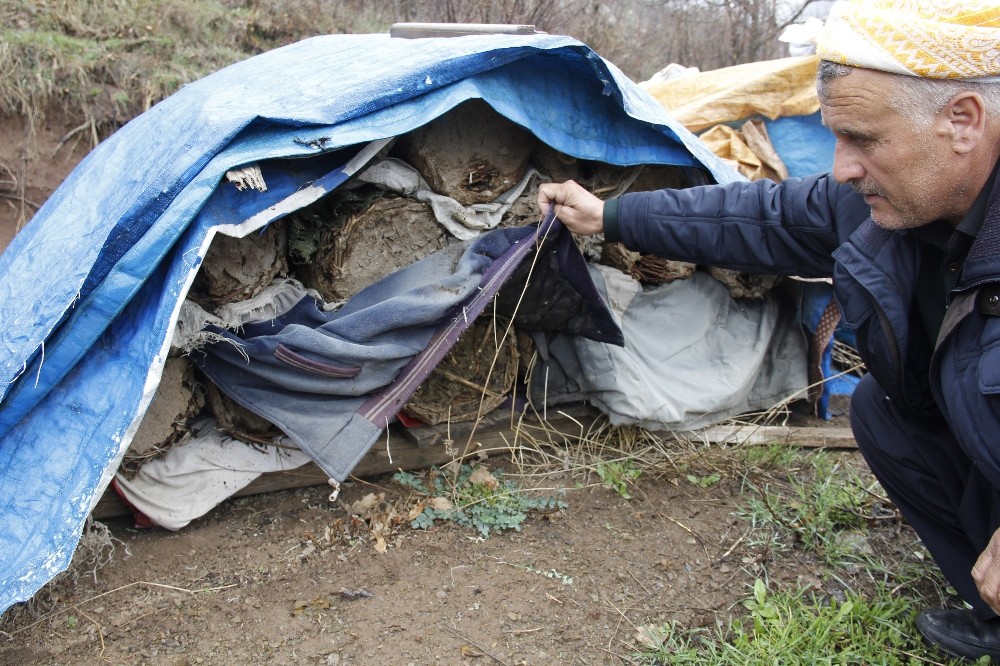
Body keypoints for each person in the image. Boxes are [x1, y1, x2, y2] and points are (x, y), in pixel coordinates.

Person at [538, 1, 1000, 661]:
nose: (842, 166)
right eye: (835, 137)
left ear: (963, 120)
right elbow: (755, 217)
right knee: (882, 413)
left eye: (865, 139)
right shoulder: (877, 205)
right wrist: (610, 217)